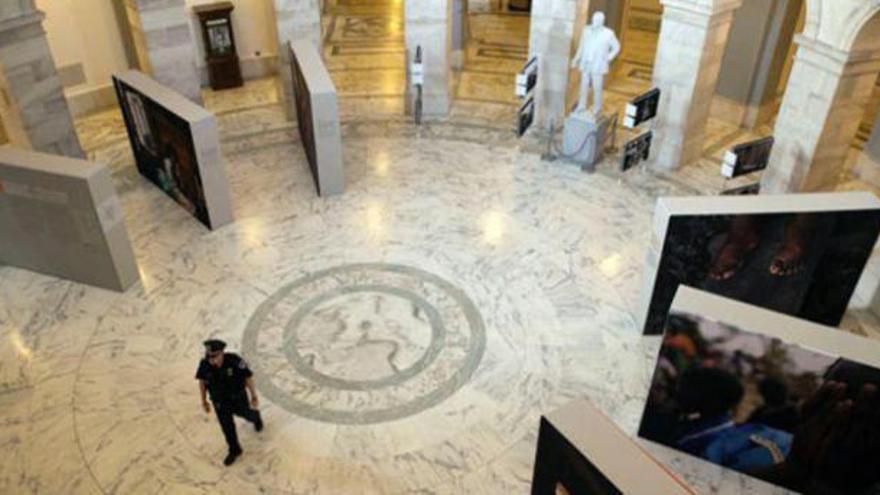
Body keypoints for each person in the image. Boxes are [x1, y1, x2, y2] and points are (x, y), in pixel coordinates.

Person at [196, 339, 263, 466]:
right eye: (209, 357)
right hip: (220, 402)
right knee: (227, 427)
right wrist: (203, 400)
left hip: (237, 398)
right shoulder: (205, 365)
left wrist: (253, 395)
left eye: (214, 356)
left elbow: (247, 377)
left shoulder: (235, 361)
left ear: (222, 352)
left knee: (246, 413)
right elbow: (202, 382)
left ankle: (256, 417)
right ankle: (235, 449)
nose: (211, 360)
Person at [570, 12, 620, 117]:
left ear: (602, 21)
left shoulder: (608, 33)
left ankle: (597, 108)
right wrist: (576, 59)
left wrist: (607, 58)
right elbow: (581, 46)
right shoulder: (586, 30)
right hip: (586, 62)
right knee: (583, 85)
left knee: (597, 87)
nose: (594, 22)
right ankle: (581, 105)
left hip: (598, 64)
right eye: (594, 20)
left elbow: (616, 47)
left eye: (597, 20)